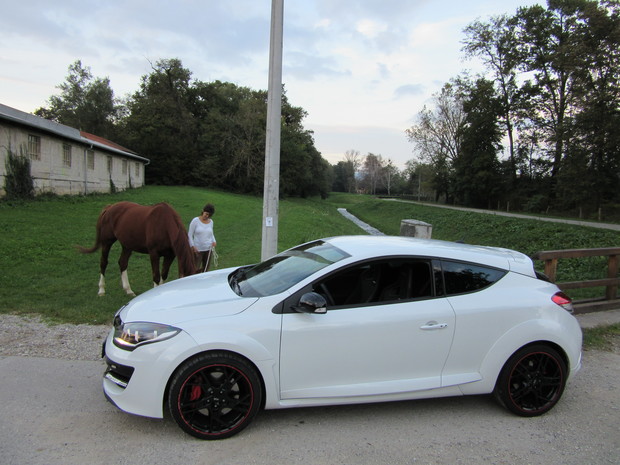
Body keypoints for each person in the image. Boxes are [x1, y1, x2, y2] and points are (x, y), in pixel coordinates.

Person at [188, 203, 217, 272]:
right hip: (197, 250)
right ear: (203, 211)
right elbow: (189, 234)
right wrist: (192, 246)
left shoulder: (211, 222)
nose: (207, 216)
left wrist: (214, 241)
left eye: (209, 215)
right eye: (206, 214)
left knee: (206, 269)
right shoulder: (195, 221)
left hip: (208, 249)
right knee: (195, 269)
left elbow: (211, 233)